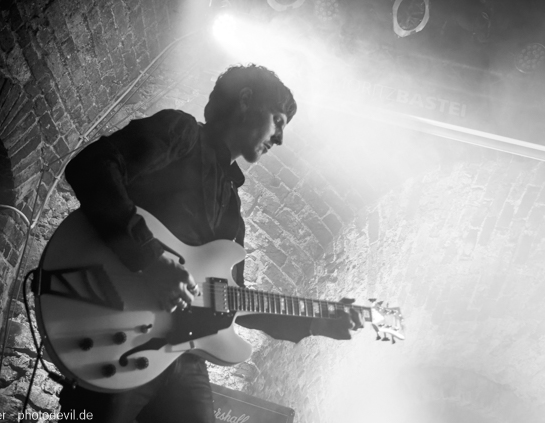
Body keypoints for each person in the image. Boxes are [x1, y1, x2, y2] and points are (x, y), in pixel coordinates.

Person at [59, 64, 362, 423]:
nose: (280, 138)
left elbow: (235, 299)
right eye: (278, 121)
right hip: (116, 334)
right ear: (246, 99)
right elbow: (92, 166)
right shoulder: (181, 133)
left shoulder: (232, 209)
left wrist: (315, 322)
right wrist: (150, 260)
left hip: (183, 354)